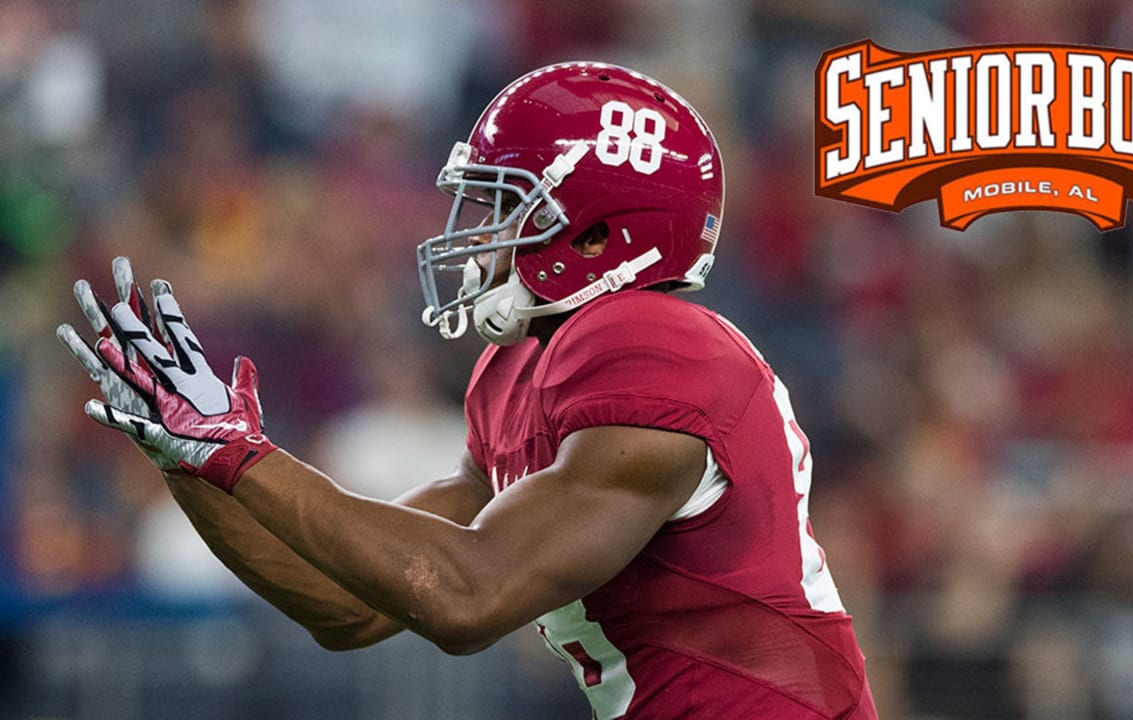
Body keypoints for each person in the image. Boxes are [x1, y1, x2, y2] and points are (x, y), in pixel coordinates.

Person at [56, 62, 877, 719]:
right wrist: (192, 460)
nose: (472, 235)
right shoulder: (521, 367)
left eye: (502, 205)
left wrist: (246, 456)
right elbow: (351, 606)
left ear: (596, 233)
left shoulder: (652, 344)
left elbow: (466, 596)